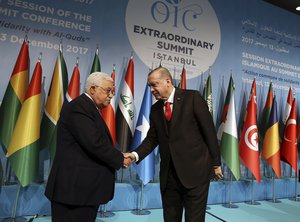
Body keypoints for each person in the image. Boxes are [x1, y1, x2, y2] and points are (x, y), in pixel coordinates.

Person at [124, 67, 223, 222]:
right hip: (170, 177)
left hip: (196, 174)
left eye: (154, 85)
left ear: (167, 81)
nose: (151, 90)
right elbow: (152, 139)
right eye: (150, 86)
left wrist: (216, 163)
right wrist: (134, 155)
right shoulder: (156, 109)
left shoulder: (192, 98)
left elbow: (209, 132)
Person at [45, 72, 129, 222]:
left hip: (82, 191)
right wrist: (120, 158)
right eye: (108, 90)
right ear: (92, 89)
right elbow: (94, 143)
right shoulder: (79, 107)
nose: (111, 95)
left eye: (113, 92)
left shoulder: (88, 107)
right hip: (74, 193)